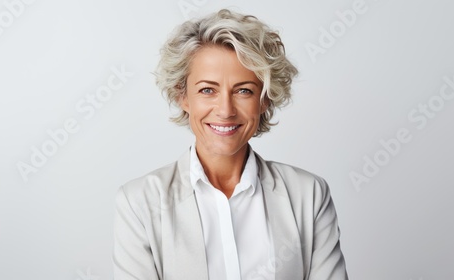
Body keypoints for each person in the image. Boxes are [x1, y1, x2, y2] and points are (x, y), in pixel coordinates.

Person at [113, 9, 348, 280]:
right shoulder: (139, 201)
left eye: (243, 90)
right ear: (183, 96)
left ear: (265, 99)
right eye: (207, 90)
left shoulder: (308, 195)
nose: (225, 110)